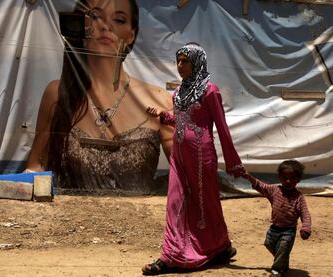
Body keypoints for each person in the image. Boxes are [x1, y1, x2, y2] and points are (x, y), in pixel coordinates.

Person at [25, 0, 173, 194]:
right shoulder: (58, 94)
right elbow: (36, 166)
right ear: (81, 26)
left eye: (119, 20)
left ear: (131, 34)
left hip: (139, 219)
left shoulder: (159, 101)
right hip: (70, 221)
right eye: (95, 16)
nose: (106, 26)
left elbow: (188, 173)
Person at [142, 43, 245, 275]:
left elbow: (221, 126)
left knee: (206, 204)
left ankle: (220, 247)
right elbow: (182, 120)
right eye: (178, 61)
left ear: (197, 61)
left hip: (201, 157)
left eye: (185, 61)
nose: (180, 66)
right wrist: (164, 116)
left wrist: (233, 162)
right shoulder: (178, 93)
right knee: (175, 202)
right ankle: (170, 256)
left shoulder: (210, 91)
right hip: (179, 157)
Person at [242, 160, 311, 277]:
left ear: (298, 180)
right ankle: (283, 262)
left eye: (292, 178)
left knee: (283, 248)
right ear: (279, 177)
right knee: (268, 244)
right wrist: (248, 177)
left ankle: (277, 270)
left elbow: (305, 213)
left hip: (288, 231)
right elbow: (260, 186)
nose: (288, 181)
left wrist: (306, 227)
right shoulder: (274, 190)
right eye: (284, 178)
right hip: (274, 228)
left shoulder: (299, 197)